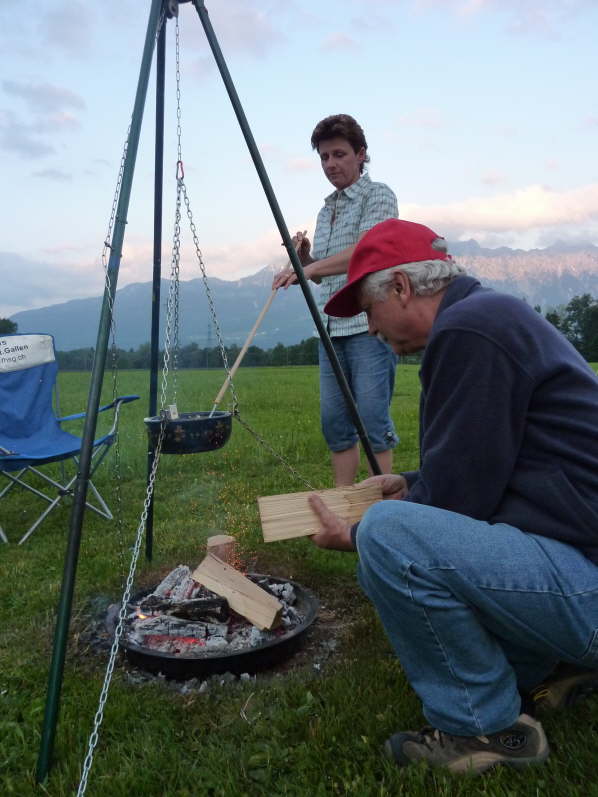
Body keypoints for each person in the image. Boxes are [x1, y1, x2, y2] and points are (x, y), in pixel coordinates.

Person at [306, 217, 598, 774]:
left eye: (368, 310)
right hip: (580, 556)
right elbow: (491, 462)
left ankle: (484, 726)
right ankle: (551, 662)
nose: (369, 329)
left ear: (401, 287)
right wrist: (412, 483)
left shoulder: (468, 330)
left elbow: (459, 504)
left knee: (390, 536)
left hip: (587, 581)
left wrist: (360, 533)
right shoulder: (486, 317)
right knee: (397, 522)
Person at [272, 114, 399, 486]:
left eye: (339, 154)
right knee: (335, 423)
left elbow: (368, 254)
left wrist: (310, 269)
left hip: (368, 326)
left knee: (373, 419)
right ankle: (344, 504)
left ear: (361, 154)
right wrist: (306, 260)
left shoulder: (379, 195)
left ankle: (383, 506)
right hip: (331, 329)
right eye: (324, 157)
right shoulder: (326, 209)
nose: (331, 164)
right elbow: (328, 275)